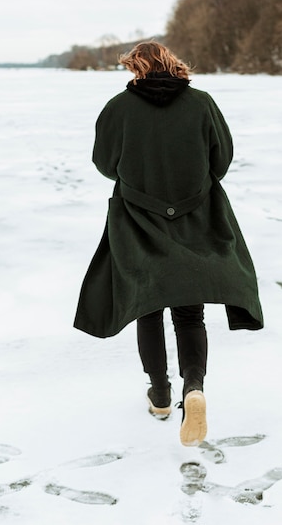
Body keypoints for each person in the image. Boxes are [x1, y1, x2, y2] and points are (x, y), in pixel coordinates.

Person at [74, 41, 263, 446]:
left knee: (148, 309)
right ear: (172, 64)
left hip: (138, 223)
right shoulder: (202, 103)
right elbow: (222, 160)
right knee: (190, 315)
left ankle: (159, 395)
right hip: (195, 221)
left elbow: (105, 165)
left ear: (136, 68)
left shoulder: (117, 108)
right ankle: (193, 388)